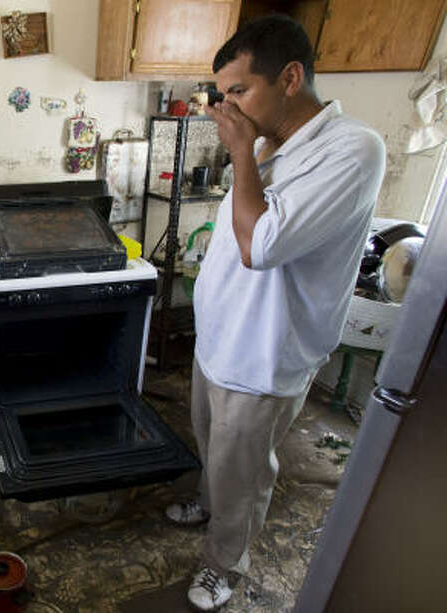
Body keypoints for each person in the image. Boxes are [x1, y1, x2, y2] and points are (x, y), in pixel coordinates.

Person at [164, 15, 386, 611]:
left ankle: (225, 564)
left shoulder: (352, 151)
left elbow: (259, 246)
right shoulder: (271, 142)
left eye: (238, 90)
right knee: (216, 449)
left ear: (290, 77)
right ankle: (211, 509)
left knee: (243, 471)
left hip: (264, 351)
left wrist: (239, 152)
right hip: (221, 340)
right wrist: (250, 148)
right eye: (224, 93)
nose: (228, 105)